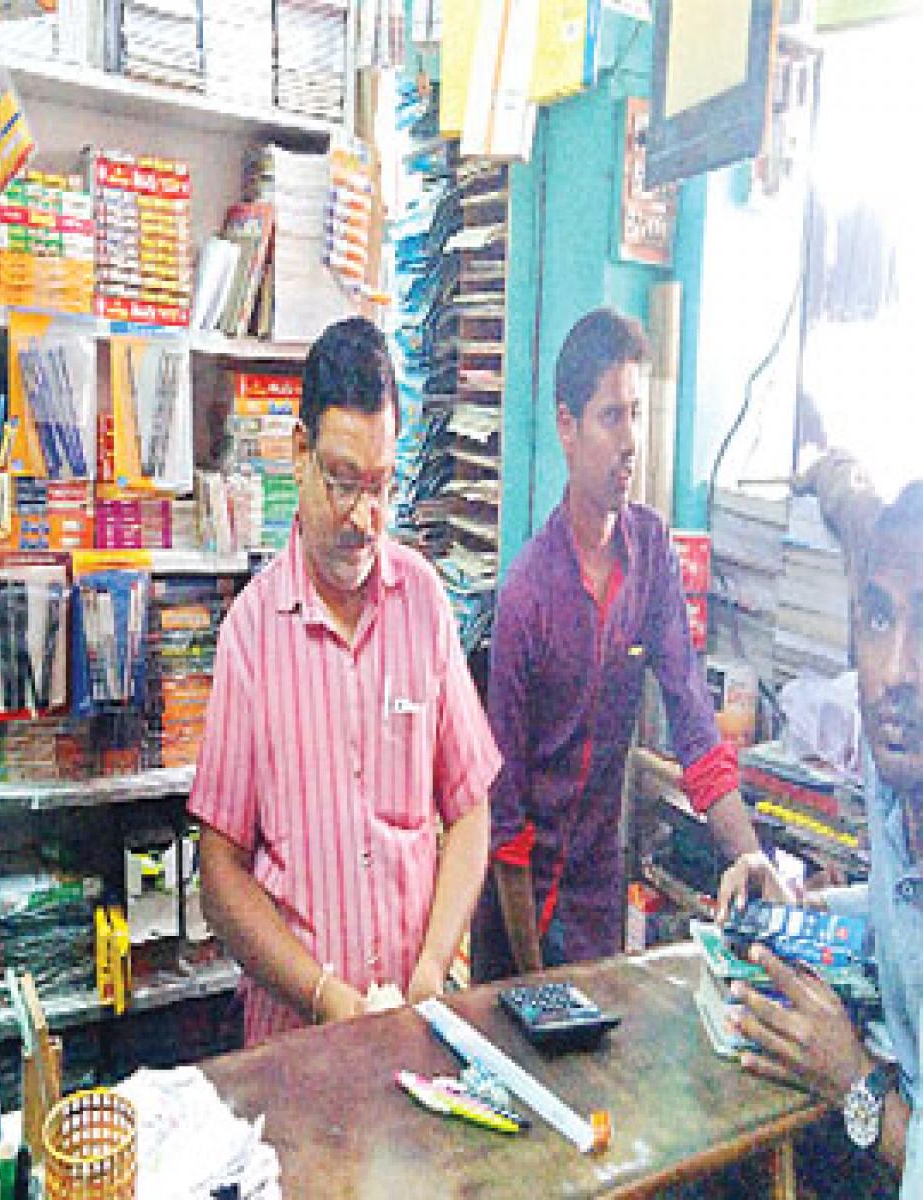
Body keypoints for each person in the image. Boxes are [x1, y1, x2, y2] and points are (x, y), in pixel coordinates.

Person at [188, 316, 502, 1045]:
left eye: (383, 486)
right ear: (299, 453)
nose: (366, 517)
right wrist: (324, 995)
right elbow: (221, 876)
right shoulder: (253, 633)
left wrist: (429, 972)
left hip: (411, 1030)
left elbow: (471, 812)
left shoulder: (423, 603)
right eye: (343, 482)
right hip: (295, 1045)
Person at [475, 307, 762, 976]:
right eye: (611, 416)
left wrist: (747, 854)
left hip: (596, 906)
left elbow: (695, 727)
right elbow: (505, 819)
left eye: (637, 413)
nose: (630, 440)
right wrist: (531, 980)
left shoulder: (653, 553)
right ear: (567, 427)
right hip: (516, 912)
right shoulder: (527, 596)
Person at [719, 465, 923, 1197]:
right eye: (878, 619)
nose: (896, 670)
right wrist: (803, 912)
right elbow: (906, 909)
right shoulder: (894, 763)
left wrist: (856, 1085)